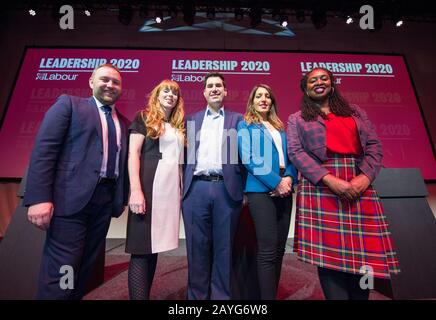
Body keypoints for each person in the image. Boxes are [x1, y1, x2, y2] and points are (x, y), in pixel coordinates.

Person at [287, 67, 400, 300]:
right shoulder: (297, 118)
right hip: (320, 187)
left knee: (363, 255)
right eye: (312, 80)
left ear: (331, 83)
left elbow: (374, 147)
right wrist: (329, 180)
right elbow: (296, 153)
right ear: (305, 88)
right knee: (327, 256)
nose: (318, 82)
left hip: (358, 183)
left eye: (323, 78)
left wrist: (365, 177)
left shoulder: (355, 112)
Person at [23, 63, 130, 299]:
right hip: (69, 202)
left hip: (104, 203)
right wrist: (40, 197)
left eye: (115, 82)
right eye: (104, 79)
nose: (110, 85)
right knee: (63, 268)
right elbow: (45, 150)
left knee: (84, 268)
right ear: (91, 82)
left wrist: (121, 199)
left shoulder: (123, 122)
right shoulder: (69, 105)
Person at [182, 72, 244, 300]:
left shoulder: (238, 120)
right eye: (210, 86)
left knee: (224, 249)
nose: (214, 89)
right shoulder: (191, 120)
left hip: (225, 190)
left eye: (219, 85)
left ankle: (221, 299)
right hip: (195, 189)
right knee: (196, 249)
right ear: (204, 92)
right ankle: (196, 299)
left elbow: (244, 156)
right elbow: (181, 157)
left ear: (226, 91)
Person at [125, 79, 185, 300]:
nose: (170, 95)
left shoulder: (179, 124)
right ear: (157, 95)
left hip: (169, 192)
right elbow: (133, 154)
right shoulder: (143, 117)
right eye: (166, 91)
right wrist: (136, 190)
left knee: (153, 248)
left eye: (175, 93)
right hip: (149, 188)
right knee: (141, 251)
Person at [237, 84, 298, 300]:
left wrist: (289, 178)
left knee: (280, 249)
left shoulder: (280, 127)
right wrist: (275, 182)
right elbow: (249, 159)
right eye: (259, 96)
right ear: (252, 101)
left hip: (285, 187)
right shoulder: (245, 125)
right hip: (260, 190)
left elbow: (292, 156)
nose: (264, 99)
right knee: (268, 249)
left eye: (267, 96)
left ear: (272, 101)